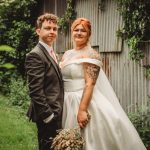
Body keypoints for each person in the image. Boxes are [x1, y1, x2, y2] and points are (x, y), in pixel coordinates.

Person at [60, 18, 147, 150]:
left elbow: (90, 84)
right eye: (76, 30)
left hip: (83, 102)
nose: (78, 33)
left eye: (83, 30)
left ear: (89, 34)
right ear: (71, 32)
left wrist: (82, 110)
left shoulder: (91, 54)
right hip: (67, 100)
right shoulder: (67, 54)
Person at [25, 13, 64, 150]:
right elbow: (35, 90)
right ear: (38, 31)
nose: (52, 32)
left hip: (57, 112)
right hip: (48, 115)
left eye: (55, 29)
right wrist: (48, 116)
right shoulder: (35, 54)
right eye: (48, 28)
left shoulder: (51, 52)